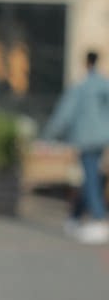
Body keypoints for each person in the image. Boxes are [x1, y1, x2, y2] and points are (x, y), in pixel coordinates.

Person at [43, 50, 109, 244]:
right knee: (92, 177)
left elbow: (64, 113)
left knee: (90, 178)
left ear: (85, 63)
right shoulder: (104, 85)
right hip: (102, 138)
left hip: (86, 138)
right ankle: (75, 218)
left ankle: (98, 218)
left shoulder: (80, 87)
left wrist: (48, 135)